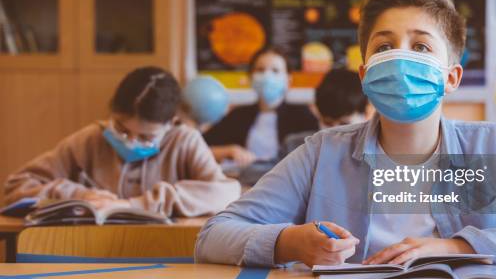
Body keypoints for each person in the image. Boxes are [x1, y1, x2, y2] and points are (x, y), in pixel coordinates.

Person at [195, 0, 496, 268]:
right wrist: (288, 242)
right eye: (385, 46)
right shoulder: (322, 152)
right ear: (365, 73)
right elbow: (215, 235)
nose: (401, 57)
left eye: (421, 46)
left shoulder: (493, 149)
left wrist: (457, 247)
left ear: (451, 78)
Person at [3, 67, 241, 217]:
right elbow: (16, 185)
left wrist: (138, 204)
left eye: (146, 137)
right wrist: (78, 194)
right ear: (112, 113)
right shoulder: (90, 139)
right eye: (121, 128)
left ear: (171, 124)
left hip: (164, 257)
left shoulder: (184, 140)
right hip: (89, 256)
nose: (130, 141)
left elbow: (226, 193)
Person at [205, 47, 318, 167]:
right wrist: (229, 150)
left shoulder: (302, 115)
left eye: (275, 70)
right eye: (260, 70)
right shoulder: (238, 115)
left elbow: (316, 156)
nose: (267, 75)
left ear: (288, 80)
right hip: (246, 182)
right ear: (250, 77)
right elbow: (201, 148)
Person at [282, 68, 370, 156]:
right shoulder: (295, 148)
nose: (334, 133)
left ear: (366, 114)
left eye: (344, 124)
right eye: (328, 123)